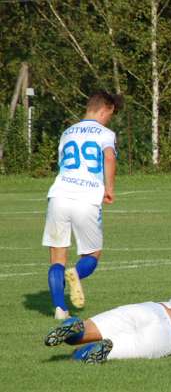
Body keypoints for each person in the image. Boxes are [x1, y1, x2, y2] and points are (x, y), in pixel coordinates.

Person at [42, 91, 122, 320]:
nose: (109, 119)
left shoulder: (67, 132)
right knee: (93, 254)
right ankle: (76, 273)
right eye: (111, 114)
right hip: (87, 198)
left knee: (57, 257)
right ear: (104, 109)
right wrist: (109, 188)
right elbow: (108, 158)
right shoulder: (106, 133)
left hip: (59, 196)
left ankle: (59, 308)